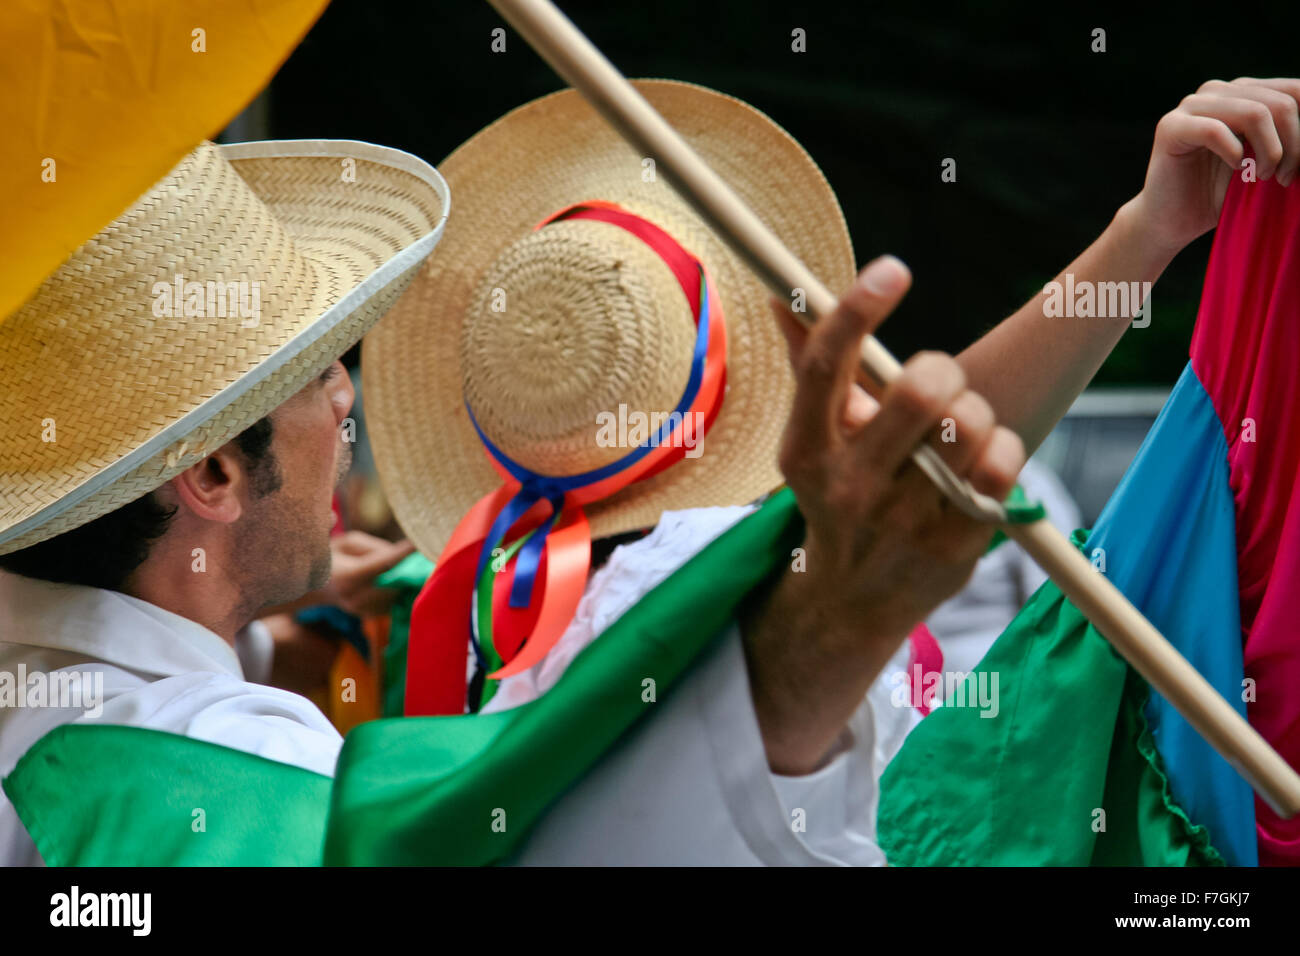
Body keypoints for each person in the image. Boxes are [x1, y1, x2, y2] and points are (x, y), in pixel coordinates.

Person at [0, 76, 1295, 865]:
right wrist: (824, 623)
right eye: (313, 376)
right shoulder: (187, 781)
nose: (344, 405)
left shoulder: (327, 650)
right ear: (210, 481)